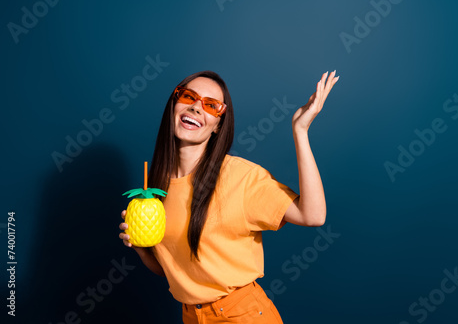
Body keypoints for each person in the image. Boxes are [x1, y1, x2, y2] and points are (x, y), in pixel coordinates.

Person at [119, 70, 339, 323]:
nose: (196, 107)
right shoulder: (155, 188)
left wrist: (300, 131)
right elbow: (174, 271)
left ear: (218, 126)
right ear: (173, 105)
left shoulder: (240, 177)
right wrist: (142, 250)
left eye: (212, 106)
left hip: (243, 315)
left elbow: (313, 215)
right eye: (188, 96)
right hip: (192, 316)